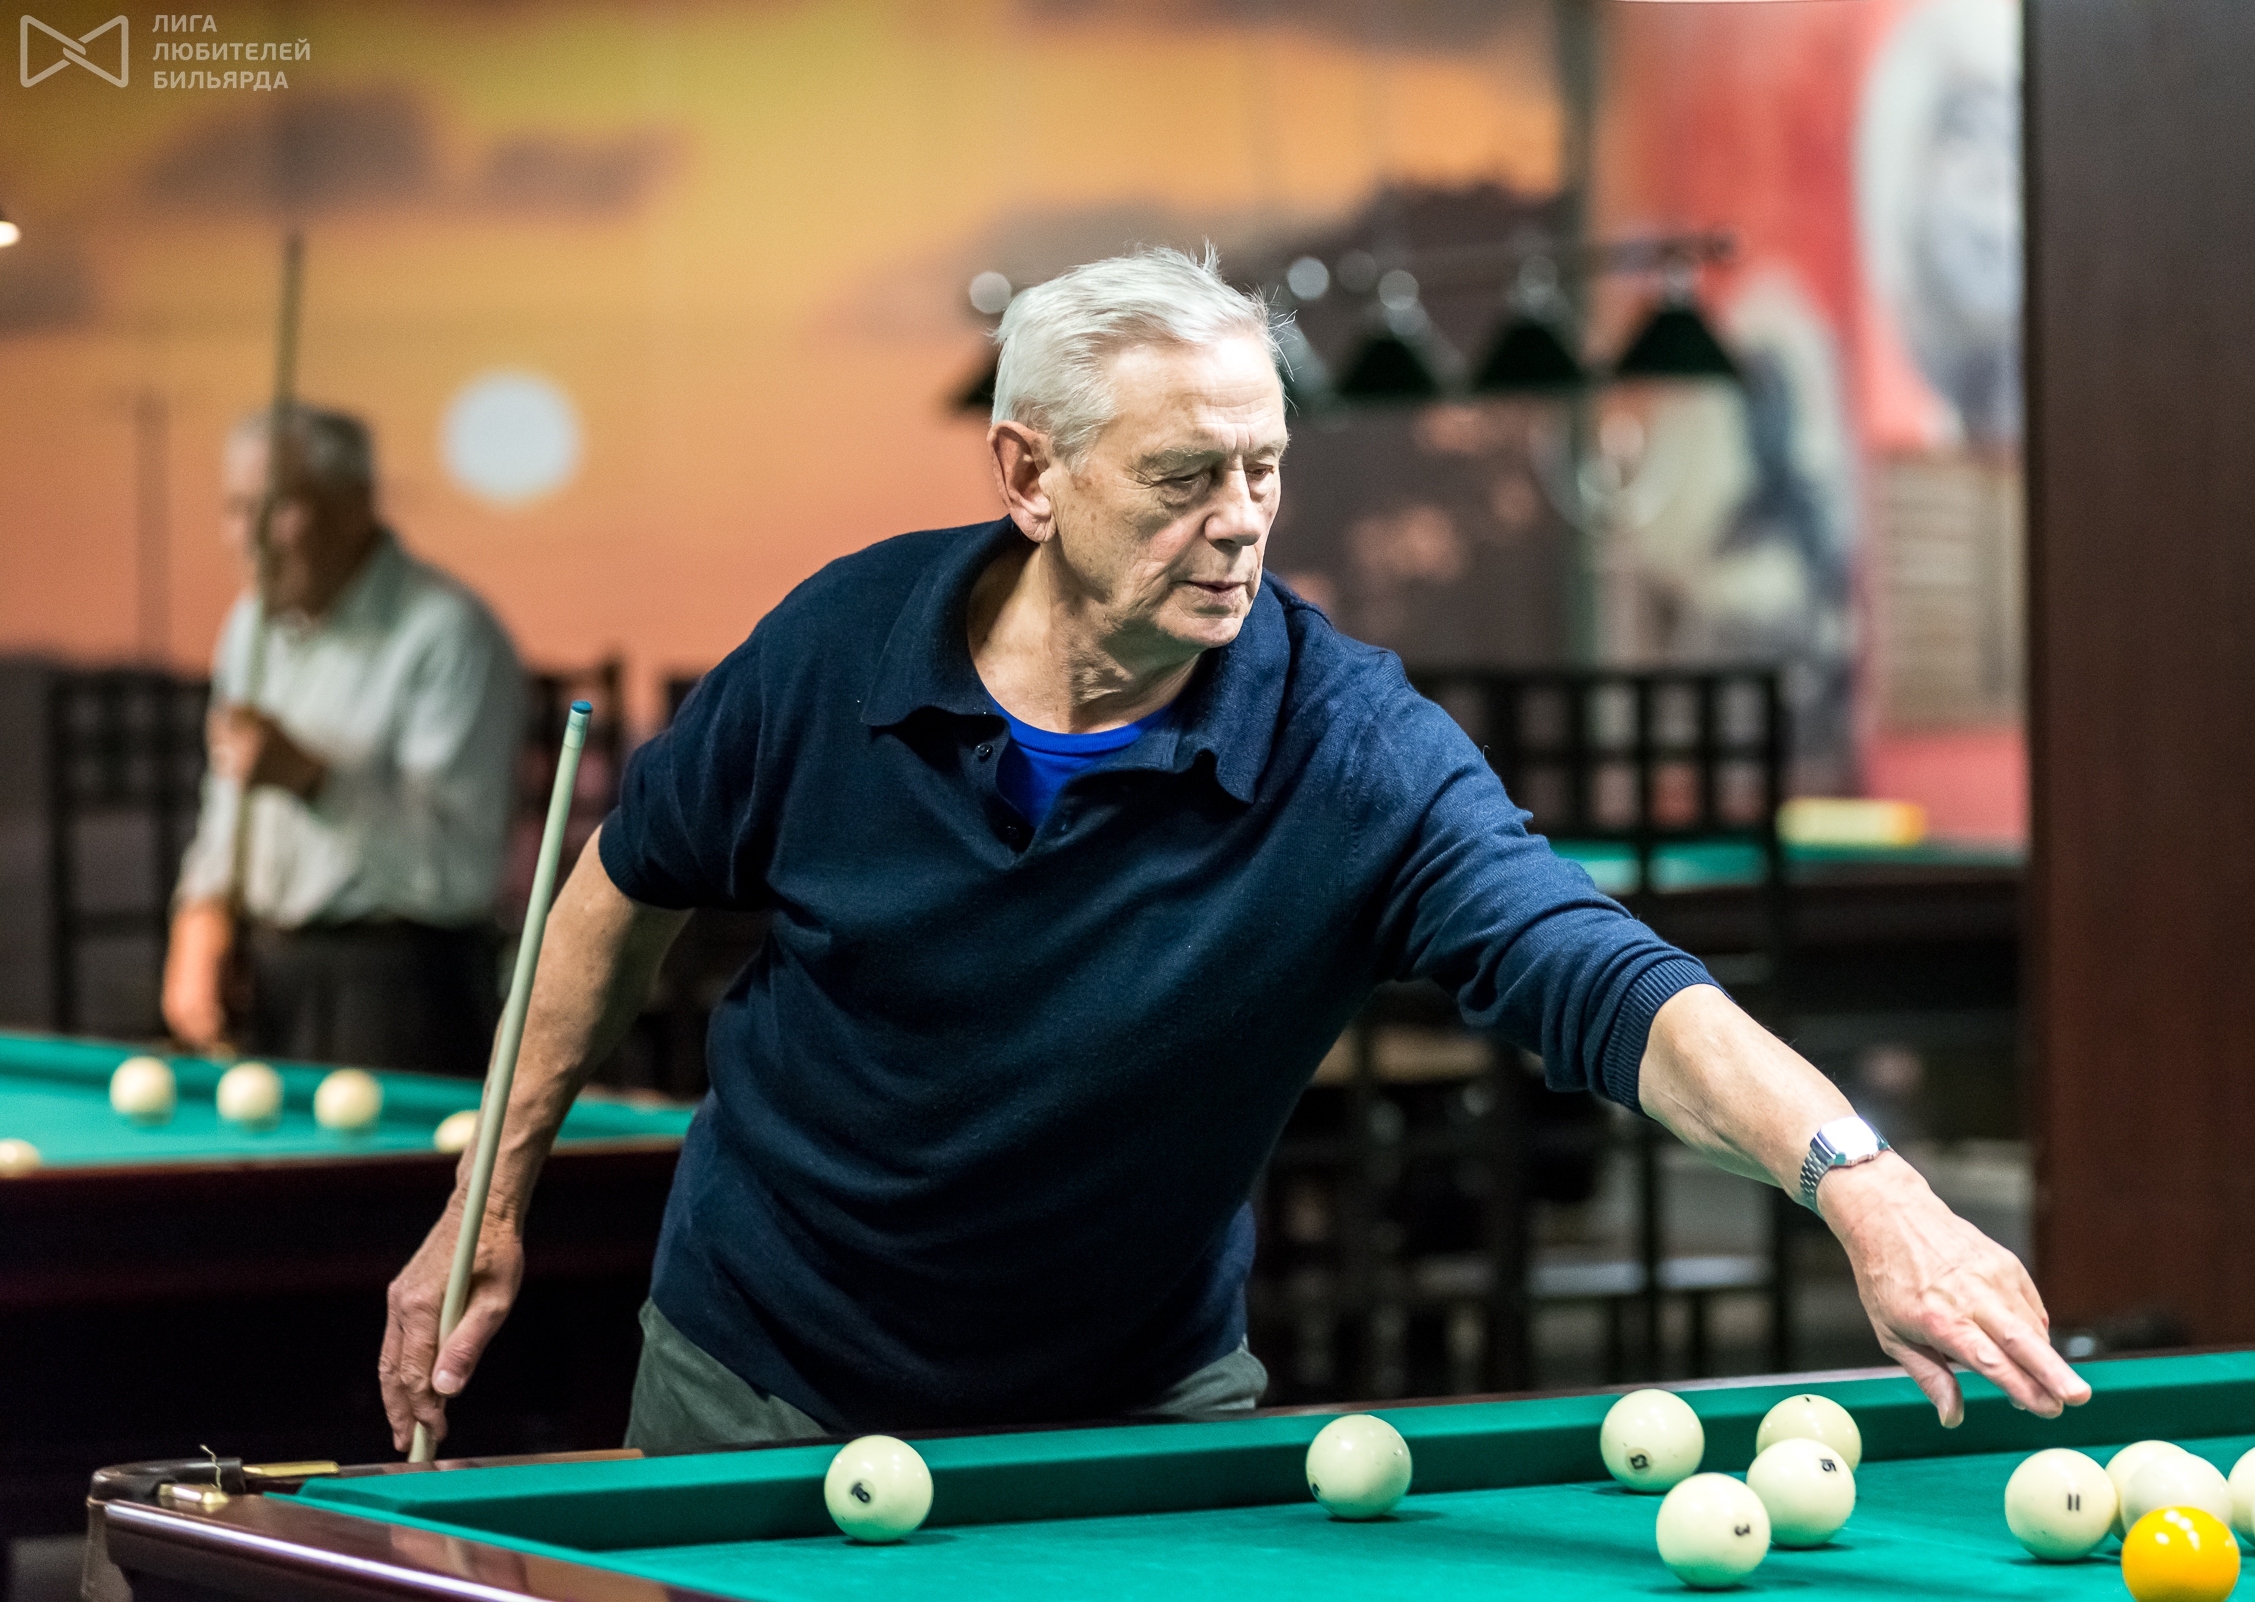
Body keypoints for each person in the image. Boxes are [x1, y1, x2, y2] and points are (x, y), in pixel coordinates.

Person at [381, 248, 2087, 1454]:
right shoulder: (839, 647)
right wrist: (492, 1194)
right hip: (757, 1368)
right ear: (1031, 473)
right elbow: (621, 891)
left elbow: (1597, 971)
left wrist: (1861, 1178)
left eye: (1266, 467)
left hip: (1128, 1413)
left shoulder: (1345, 744)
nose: (1244, 521)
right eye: (1187, 475)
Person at [162, 404, 525, 1078]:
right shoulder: (248, 627)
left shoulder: (450, 633)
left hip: (401, 989)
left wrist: (315, 781)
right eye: (236, 508)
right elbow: (227, 805)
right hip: (265, 979)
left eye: (278, 507)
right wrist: (201, 910)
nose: (249, 536)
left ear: (354, 505)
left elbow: (461, 874)